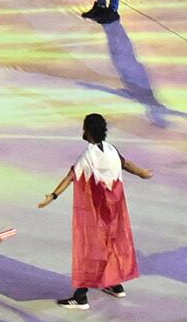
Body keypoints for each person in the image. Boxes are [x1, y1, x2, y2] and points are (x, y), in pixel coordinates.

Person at [46, 112, 144, 302]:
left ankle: (80, 296)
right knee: (111, 243)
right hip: (115, 211)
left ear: (88, 131)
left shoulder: (88, 156)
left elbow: (70, 177)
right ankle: (115, 284)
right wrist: (142, 173)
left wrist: (53, 195)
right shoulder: (112, 150)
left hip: (96, 213)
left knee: (88, 248)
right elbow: (126, 164)